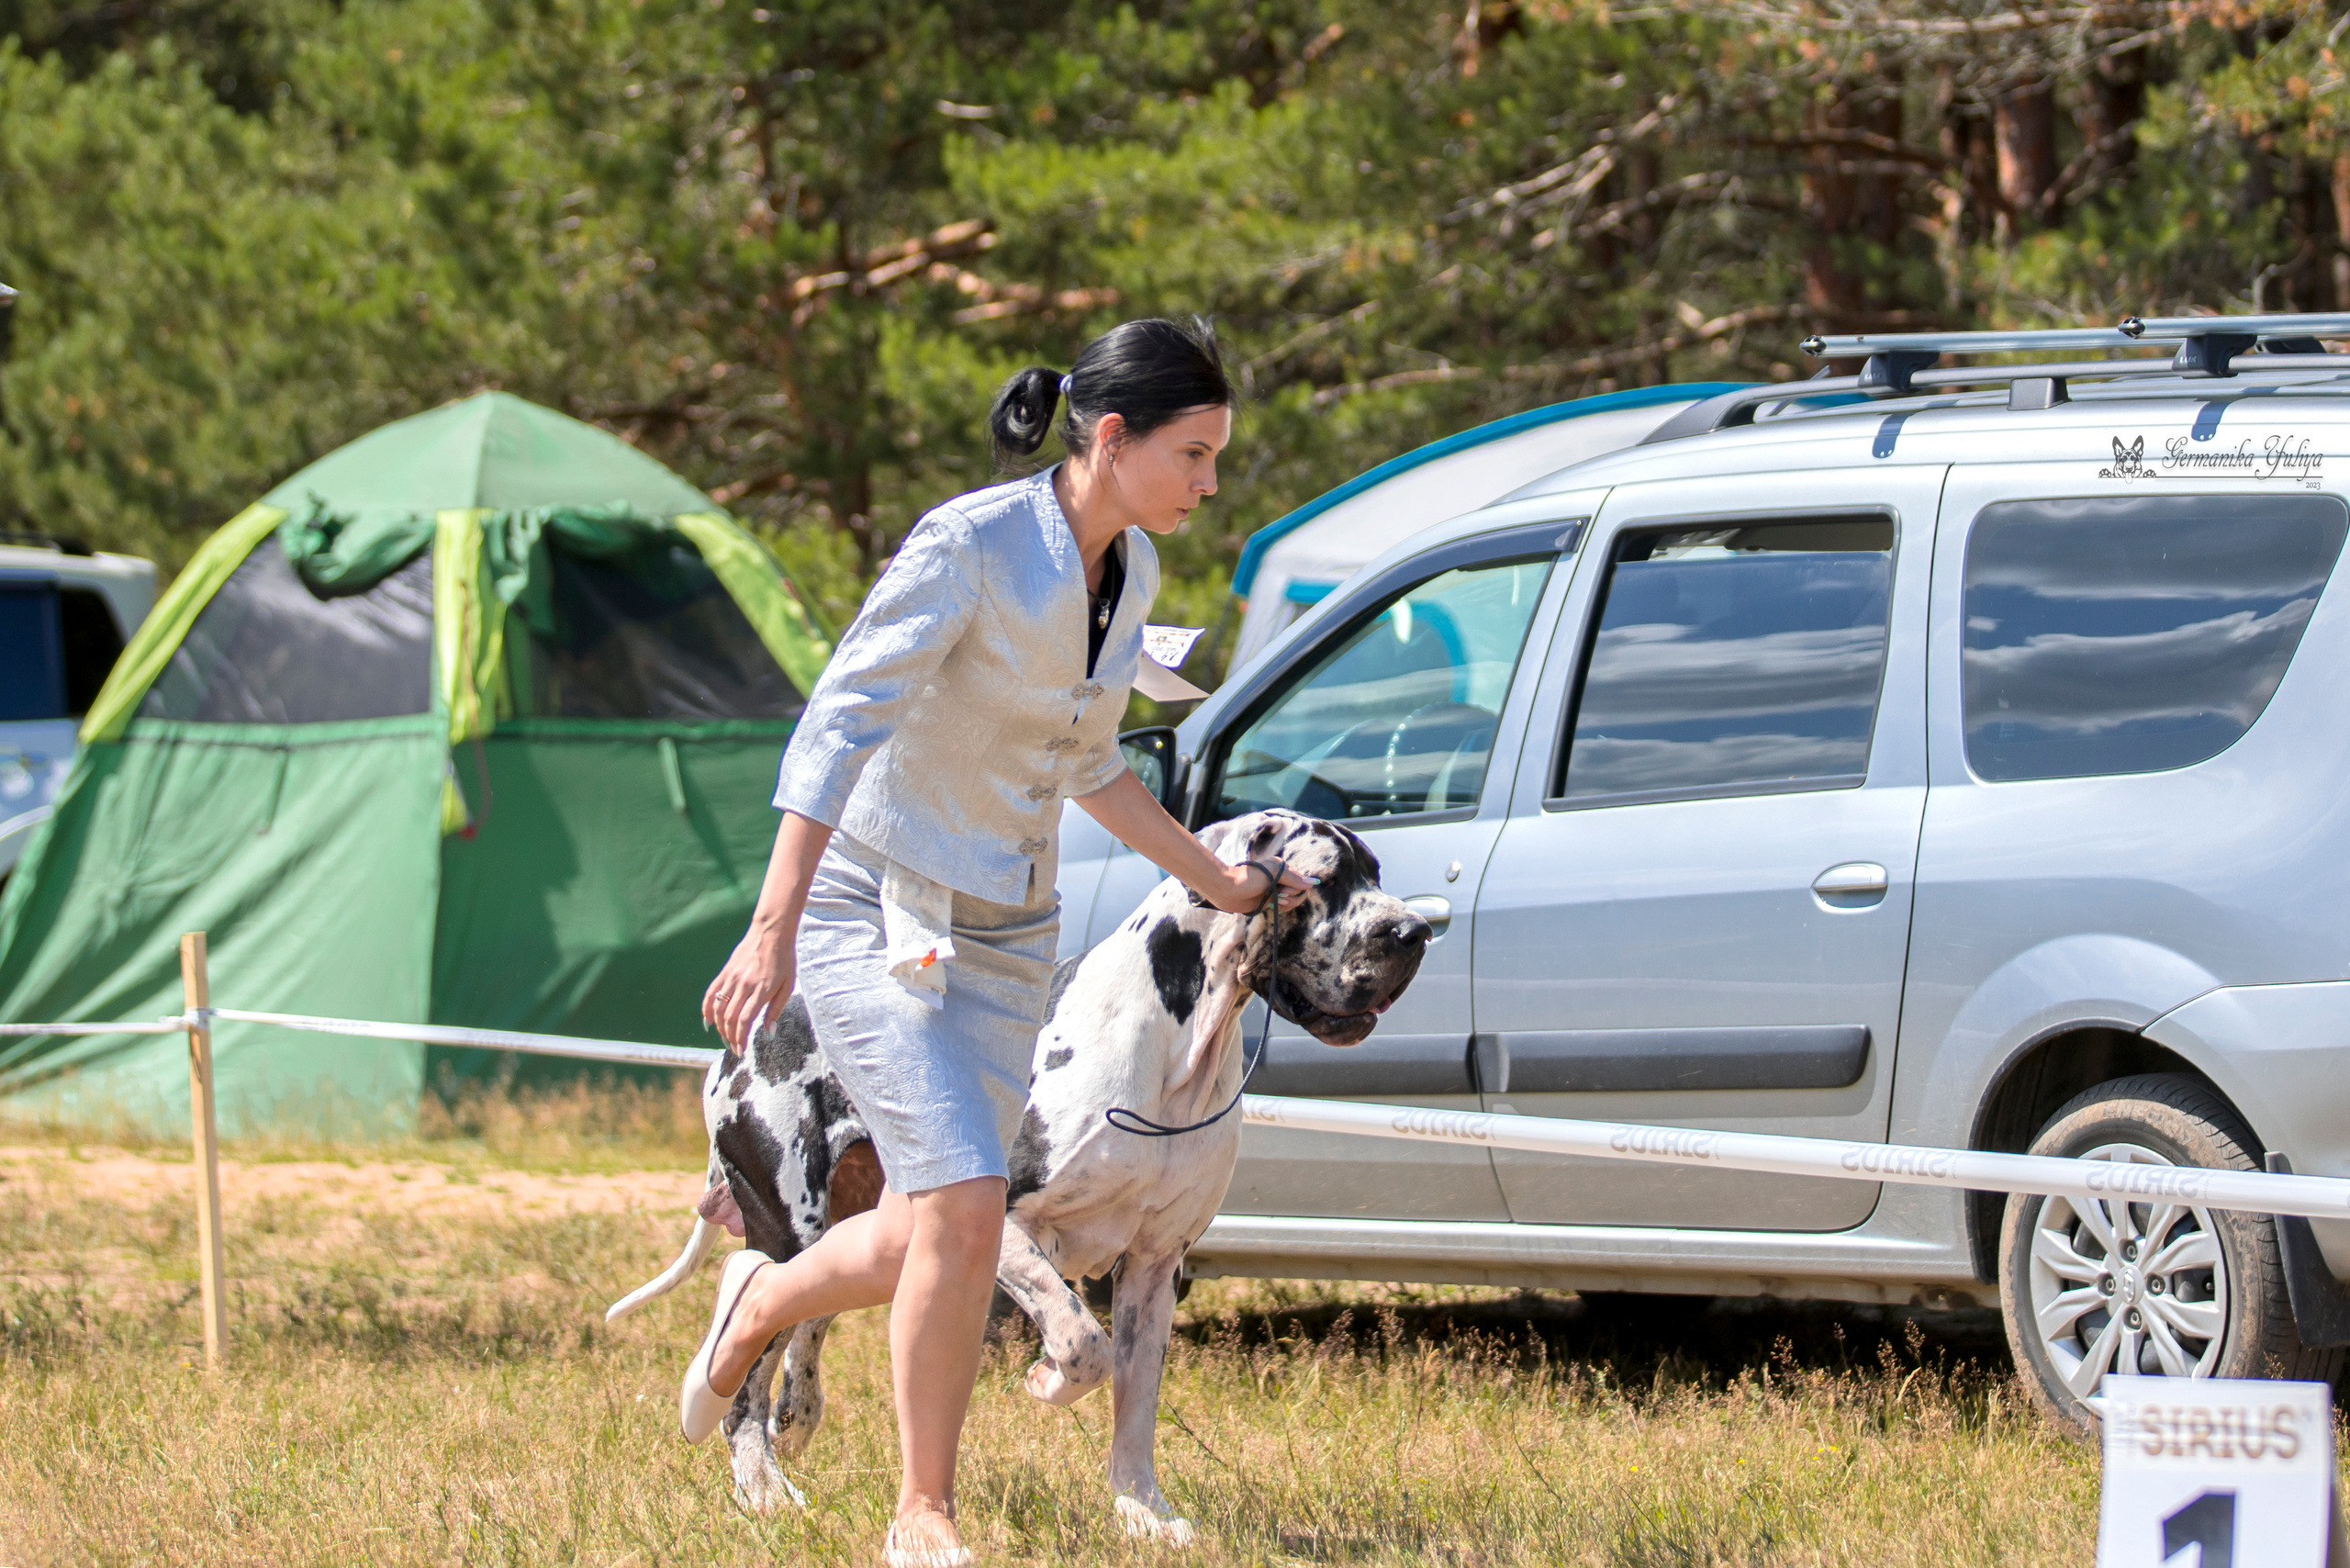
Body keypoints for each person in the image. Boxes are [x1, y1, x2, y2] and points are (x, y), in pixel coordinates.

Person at [688, 316, 1312, 1568]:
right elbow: (839, 722)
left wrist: (1216, 879)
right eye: (1193, 456)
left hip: (1008, 933)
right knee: (970, 1199)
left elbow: (1092, 763)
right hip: (876, 913)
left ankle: (761, 1296)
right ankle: (922, 1514)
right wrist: (773, 927)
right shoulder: (969, 544)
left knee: (946, 1221)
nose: (1207, 484)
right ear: (1113, 437)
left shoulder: (1127, 575)